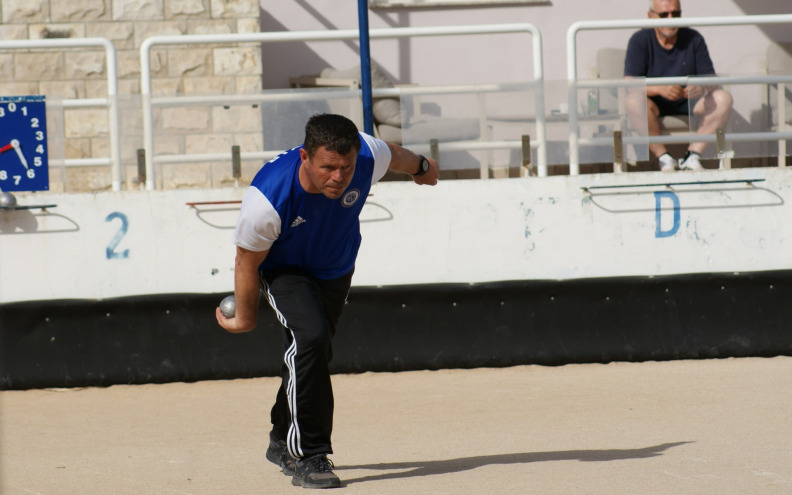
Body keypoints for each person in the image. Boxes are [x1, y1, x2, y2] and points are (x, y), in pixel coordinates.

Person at [215, 113, 438, 489]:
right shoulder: (268, 198)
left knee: (312, 352)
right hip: (283, 270)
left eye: (346, 167)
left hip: (335, 267)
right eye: (328, 167)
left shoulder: (367, 155)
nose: (338, 176)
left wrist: (422, 167)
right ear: (305, 157)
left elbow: (397, 155)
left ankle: (280, 437)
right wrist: (246, 317)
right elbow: (246, 261)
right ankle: (309, 455)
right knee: (311, 339)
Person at [624, 0, 732, 172]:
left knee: (723, 99)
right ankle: (664, 159)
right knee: (632, 101)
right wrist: (659, 89)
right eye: (664, 15)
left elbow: (711, 80)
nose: (670, 19)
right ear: (650, 17)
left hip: (689, 102)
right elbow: (630, 84)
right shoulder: (640, 40)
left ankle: (692, 157)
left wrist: (701, 87)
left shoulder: (693, 38)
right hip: (654, 104)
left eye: (675, 14)